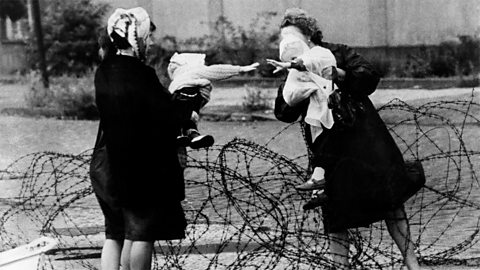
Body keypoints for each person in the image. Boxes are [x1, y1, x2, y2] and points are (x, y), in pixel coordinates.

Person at [270, 8, 421, 270]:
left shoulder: (338, 52)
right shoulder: (294, 65)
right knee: (336, 214)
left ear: (309, 35)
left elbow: (369, 77)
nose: (288, 44)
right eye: (284, 39)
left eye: (293, 37)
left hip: (364, 139)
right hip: (329, 152)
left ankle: (413, 264)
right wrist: (299, 87)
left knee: (391, 202)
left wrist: (337, 74)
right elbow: (283, 111)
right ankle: (340, 267)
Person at [91, 7, 186, 270]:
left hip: (107, 163)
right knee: (141, 234)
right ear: (137, 39)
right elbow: (164, 114)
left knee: (115, 233)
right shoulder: (140, 74)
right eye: (148, 37)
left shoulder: (104, 71)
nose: (151, 42)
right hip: (137, 165)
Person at [269, 33, 340, 195]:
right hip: (315, 117)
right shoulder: (297, 73)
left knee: (325, 145)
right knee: (318, 146)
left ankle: (321, 183)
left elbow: (306, 62)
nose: (292, 61)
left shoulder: (319, 53)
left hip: (331, 110)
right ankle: (319, 187)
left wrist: (290, 65)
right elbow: (287, 105)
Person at [167, 52, 259, 148]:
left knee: (183, 118)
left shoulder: (176, 79)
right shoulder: (193, 71)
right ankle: (193, 135)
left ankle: (182, 135)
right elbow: (216, 70)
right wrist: (240, 69)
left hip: (177, 99)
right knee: (189, 116)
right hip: (190, 95)